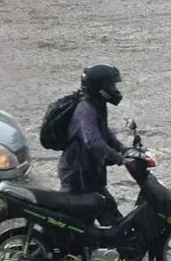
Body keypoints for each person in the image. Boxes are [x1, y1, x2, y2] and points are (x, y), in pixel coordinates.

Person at [57, 64, 127, 227]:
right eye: (112, 84)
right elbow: (93, 140)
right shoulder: (86, 108)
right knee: (94, 217)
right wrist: (119, 159)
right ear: (101, 87)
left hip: (88, 172)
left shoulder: (96, 104)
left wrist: (122, 148)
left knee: (109, 211)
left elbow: (104, 131)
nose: (115, 89)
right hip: (78, 174)